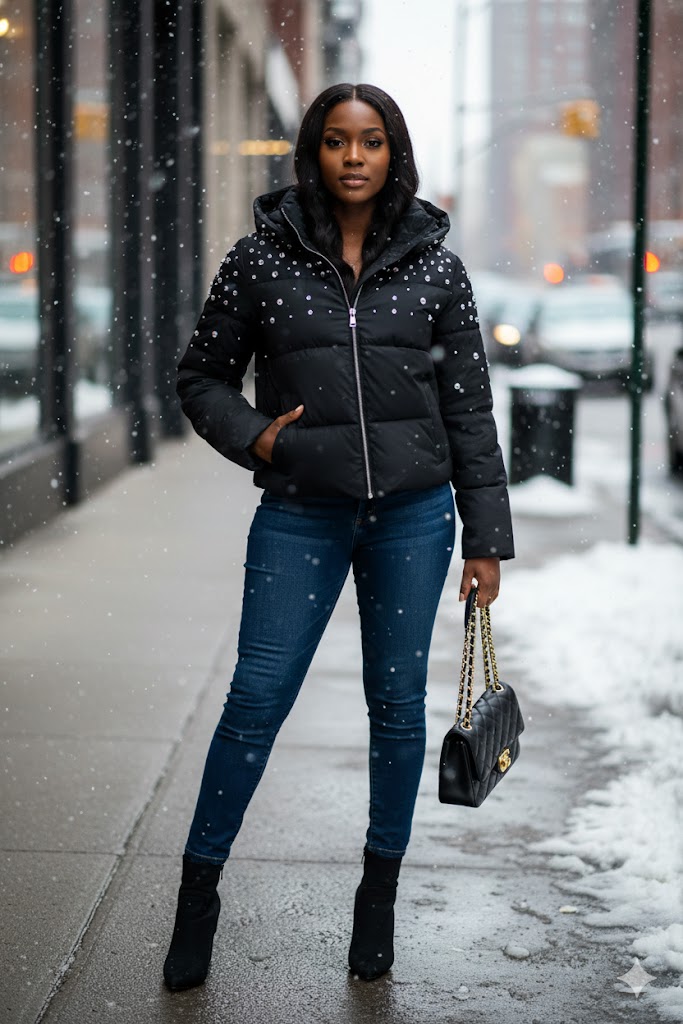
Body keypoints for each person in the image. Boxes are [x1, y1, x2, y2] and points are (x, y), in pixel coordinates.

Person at [163, 82, 514, 992]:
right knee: (255, 699)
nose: (353, 157)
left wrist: (485, 538)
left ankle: (377, 898)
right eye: (335, 141)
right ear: (312, 153)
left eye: (370, 141)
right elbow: (200, 377)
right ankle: (198, 895)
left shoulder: (436, 268)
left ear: (394, 154)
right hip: (299, 512)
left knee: (395, 708)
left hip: (412, 518)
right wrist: (258, 438)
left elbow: (469, 412)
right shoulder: (260, 259)